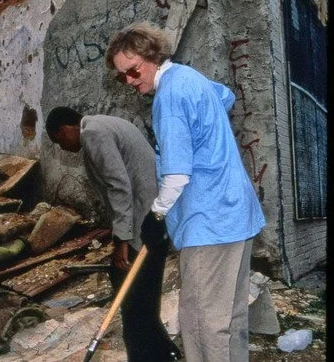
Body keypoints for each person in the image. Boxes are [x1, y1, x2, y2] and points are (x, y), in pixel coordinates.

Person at [105, 21, 266, 362]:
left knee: (202, 322)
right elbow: (226, 96)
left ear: (152, 56)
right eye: (122, 77)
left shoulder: (169, 97)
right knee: (231, 316)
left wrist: (157, 214)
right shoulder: (190, 79)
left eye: (133, 71)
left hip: (209, 221)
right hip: (236, 213)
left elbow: (177, 175)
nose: (131, 82)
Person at [45, 106, 181, 361]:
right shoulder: (102, 126)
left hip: (145, 222)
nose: (61, 148)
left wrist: (122, 241)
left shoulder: (94, 133)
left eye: (58, 141)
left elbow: (119, 186)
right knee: (141, 295)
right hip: (150, 219)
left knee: (133, 297)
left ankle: (150, 355)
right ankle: (163, 351)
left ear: (64, 130)